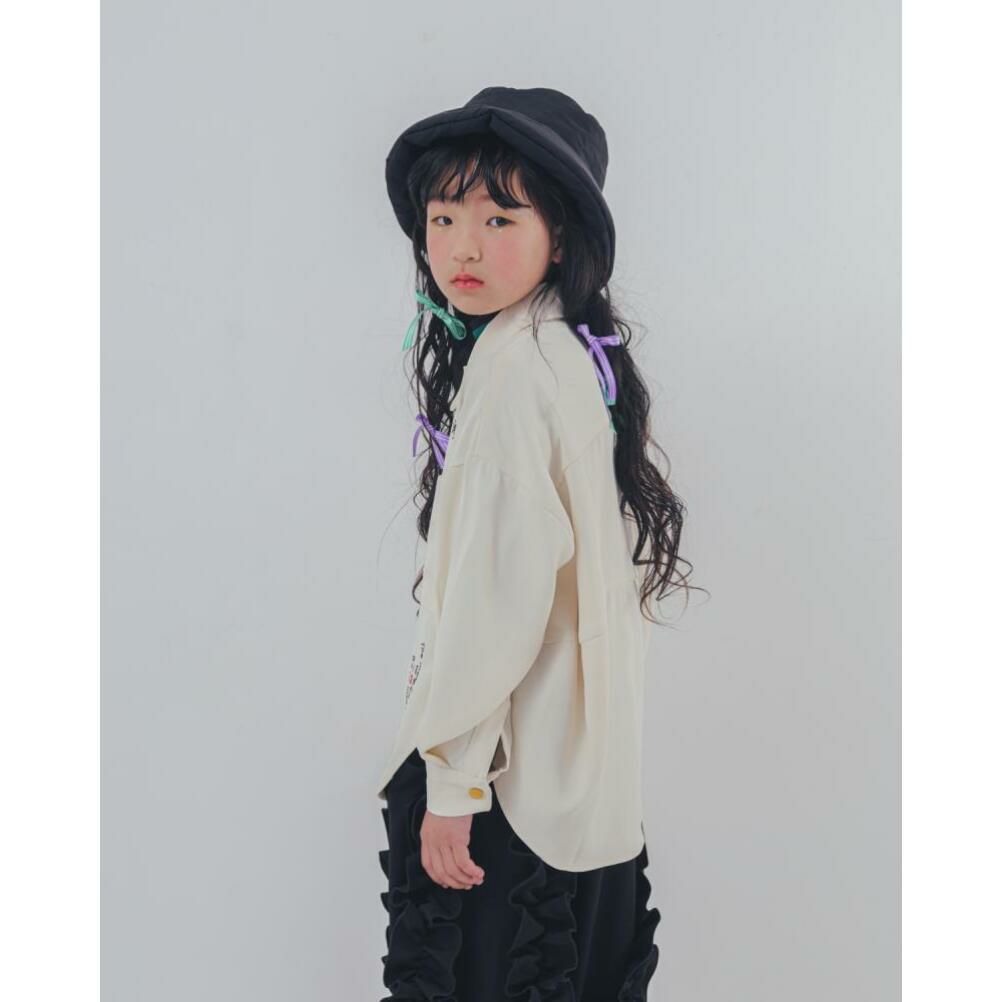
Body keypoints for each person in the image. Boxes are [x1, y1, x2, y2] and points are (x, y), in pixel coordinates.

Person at [374, 86, 697, 1001]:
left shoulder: (515, 375)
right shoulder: (571, 352)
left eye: (499, 217)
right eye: (444, 218)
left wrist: (451, 787)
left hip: (508, 800)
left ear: (561, 236)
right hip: (585, 796)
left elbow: (493, 609)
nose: (462, 248)